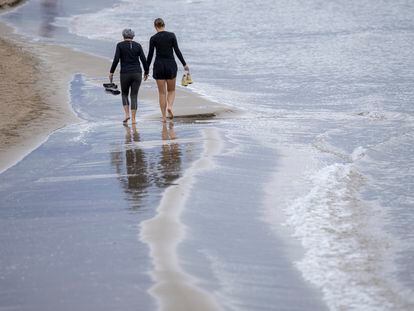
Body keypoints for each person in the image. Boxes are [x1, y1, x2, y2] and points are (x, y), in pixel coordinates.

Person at [147, 18, 189, 122]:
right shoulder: (171, 35)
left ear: (155, 26)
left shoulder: (153, 38)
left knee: (162, 93)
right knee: (171, 90)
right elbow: (177, 51)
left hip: (159, 66)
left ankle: (164, 117)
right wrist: (184, 64)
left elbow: (150, 55)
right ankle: (169, 106)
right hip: (170, 65)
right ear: (164, 25)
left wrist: (146, 70)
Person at [109, 28, 149, 124]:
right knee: (134, 95)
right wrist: (146, 72)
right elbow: (144, 60)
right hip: (137, 73)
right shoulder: (138, 46)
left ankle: (127, 115)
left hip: (125, 73)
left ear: (123, 36)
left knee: (124, 94)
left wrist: (111, 72)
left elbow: (116, 60)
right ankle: (134, 119)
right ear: (133, 36)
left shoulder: (120, 45)